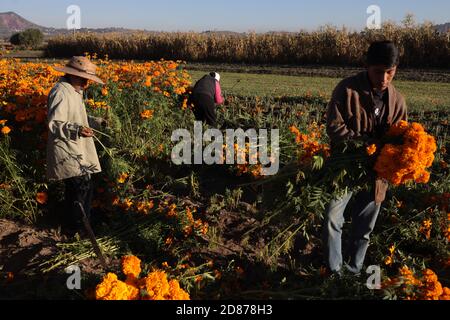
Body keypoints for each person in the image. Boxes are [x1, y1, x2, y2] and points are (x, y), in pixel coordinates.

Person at [323, 41, 408, 275]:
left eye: (389, 72)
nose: (383, 78)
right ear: (366, 66)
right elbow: (334, 128)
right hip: (345, 167)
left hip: (378, 173)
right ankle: (334, 272)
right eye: (378, 71)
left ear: (396, 69)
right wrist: (363, 143)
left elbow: (402, 137)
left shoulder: (398, 101)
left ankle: (353, 271)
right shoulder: (347, 90)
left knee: (364, 227)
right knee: (333, 217)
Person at [47, 56, 107, 233]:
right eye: (85, 79)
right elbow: (54, 123)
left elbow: (78, 117)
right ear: (73, 75)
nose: (87, 83)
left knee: (83, 188)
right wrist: (77, 129)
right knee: (79, 190)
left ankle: (78, 225)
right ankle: (76, 230)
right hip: (67, 149)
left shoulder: (74, 90)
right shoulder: (61, 92)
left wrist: (97, 122)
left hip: (77, 147)